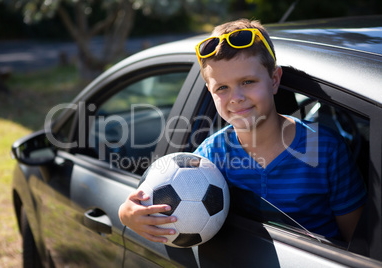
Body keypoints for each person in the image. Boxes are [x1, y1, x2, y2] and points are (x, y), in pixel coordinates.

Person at [118, 19, 367, 243]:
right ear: (210, 92)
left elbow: (358, 240)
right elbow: (155, 199)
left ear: (274, 79)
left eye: (248, 82)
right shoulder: (209, 156)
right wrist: (127, 214)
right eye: (222, 88)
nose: (236, 98)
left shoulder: (325, 148)